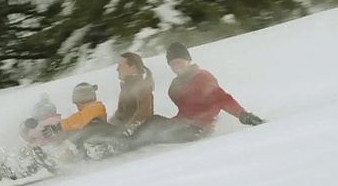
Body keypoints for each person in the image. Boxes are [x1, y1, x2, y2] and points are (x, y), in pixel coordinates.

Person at [131, 42, 265, 147]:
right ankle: (128, 141)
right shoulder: (177, 83)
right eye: (173, 64)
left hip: (198, 129)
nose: (177, 66)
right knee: (154, 121)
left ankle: (129, 145)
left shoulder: (202, 77)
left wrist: (244, 115)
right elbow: (186, 110)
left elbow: (222, 98)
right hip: (184, 124)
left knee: (155, 131)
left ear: (188, 61)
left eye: (180, 62)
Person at [111, 52, 155, 137]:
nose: (117, 69)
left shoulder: (142, 87)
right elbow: (119, 114)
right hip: (123, 130)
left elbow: (144, 113)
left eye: (121, 66)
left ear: (133, 69)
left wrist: (126, 130)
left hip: (137, 133)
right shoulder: (126, 88)